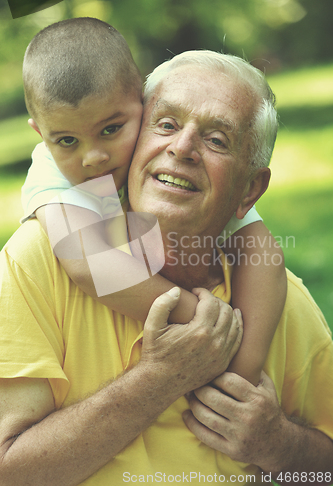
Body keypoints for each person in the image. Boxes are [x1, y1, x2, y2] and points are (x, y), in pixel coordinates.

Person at [0, 49, 332, 485]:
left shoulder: (280, 299)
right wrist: (158, 379)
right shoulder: (38, 261)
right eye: (167, 124)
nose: (182, 147)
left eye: (217, 140)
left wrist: (278, 444)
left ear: (249, 189)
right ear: (135, 135)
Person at [20, 17, 286, 387]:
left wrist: (242, 371)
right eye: (66, 141)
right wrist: (199, 320)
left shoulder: (168, 147)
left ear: (141, 103)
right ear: (41, 134)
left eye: (111, 130)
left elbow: (262, 254)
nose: (93, 157)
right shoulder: (53, 175)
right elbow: (89, 265)